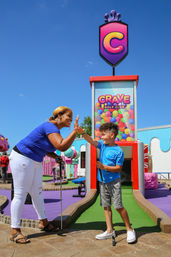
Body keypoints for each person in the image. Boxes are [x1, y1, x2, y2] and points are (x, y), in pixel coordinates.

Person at [9, 106, 80, 244]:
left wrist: (54, 156)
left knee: (37, 193)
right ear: (59, 115)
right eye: (68, 116)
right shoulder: (49, 126)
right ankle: (15, 231)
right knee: (20, 194)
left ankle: (44, 222)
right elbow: (61, 146)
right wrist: (75, 132)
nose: (71, 119)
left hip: (35, 160)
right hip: (22, 157)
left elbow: (44, 147)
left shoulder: (54, 130)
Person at [77, 122, 136, 244]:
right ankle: (109, 230)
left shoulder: (118, 151)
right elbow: (91, 141)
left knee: (118, 206)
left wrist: (104, 167)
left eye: (103, 135)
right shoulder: (102, 146)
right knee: (106, 206)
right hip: (102, 181)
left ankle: (130, 229)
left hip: (114, 182)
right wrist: (82, 133)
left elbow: (118, 168)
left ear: (112, 135)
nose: (101, 137)